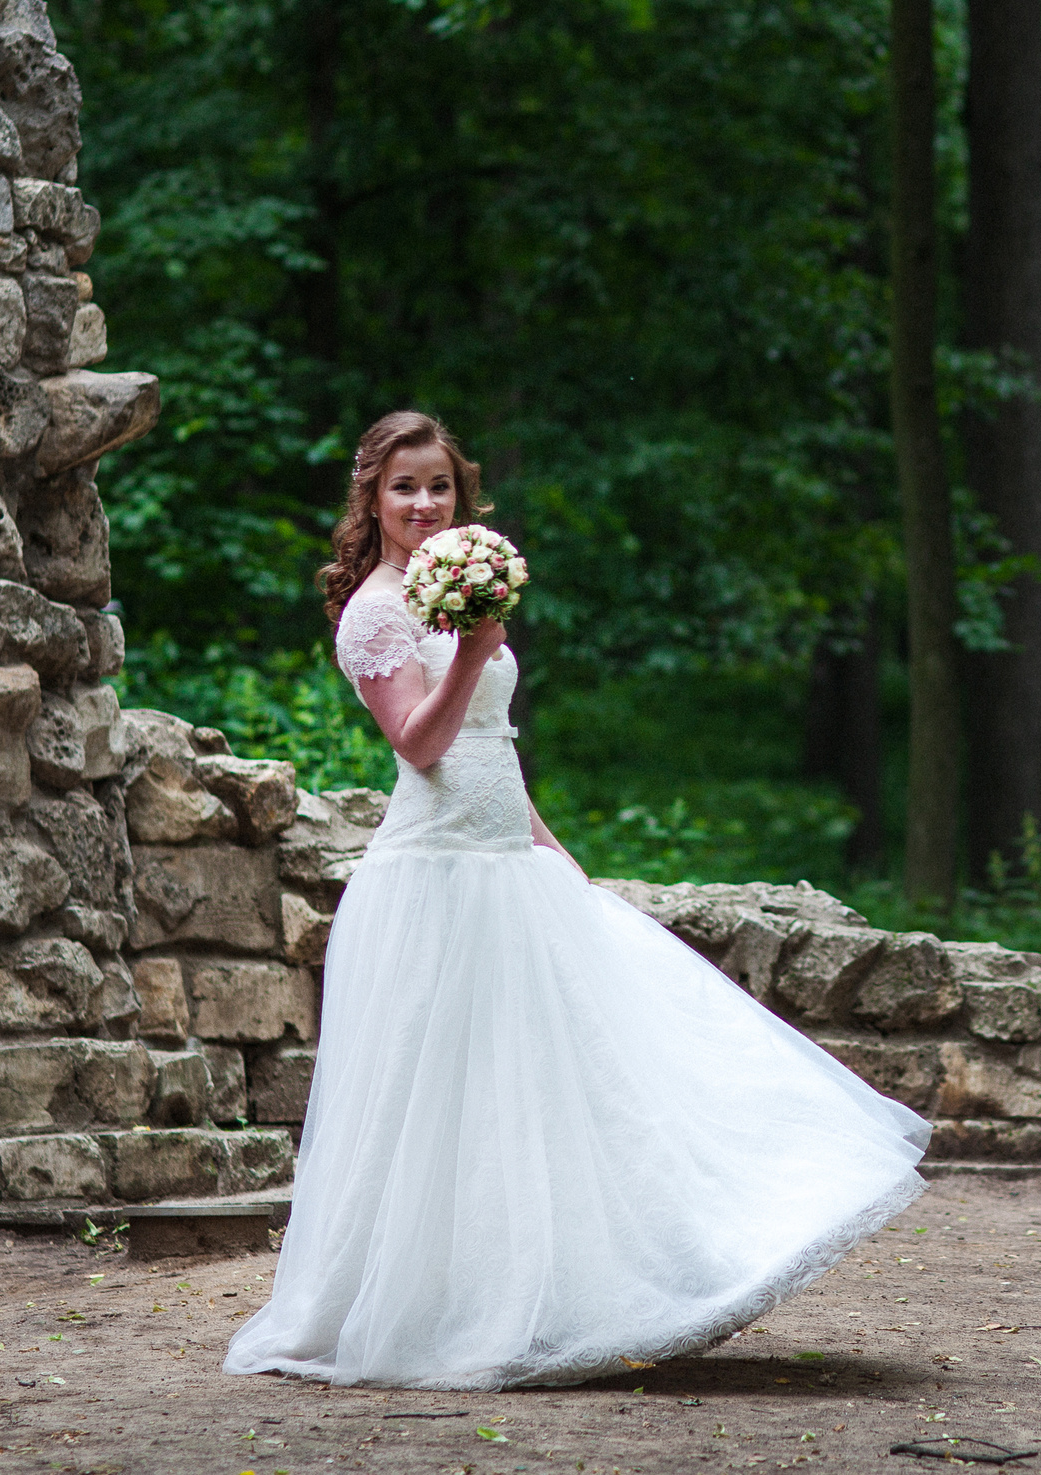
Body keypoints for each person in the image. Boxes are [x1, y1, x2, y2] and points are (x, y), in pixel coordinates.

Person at [225, 411, 930, 1389]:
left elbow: (490, 751)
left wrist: (555, 855)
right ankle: (443, 1308)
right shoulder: (377, 612)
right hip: (434, 881)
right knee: (451, 1101)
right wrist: (475, 645)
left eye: (438, 486)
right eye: (403, 488)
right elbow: (421, 748)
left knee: (569, 1076)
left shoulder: (452, 590)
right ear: (371, 500)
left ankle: (620, 1281)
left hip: (506, 862)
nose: (424, 504)